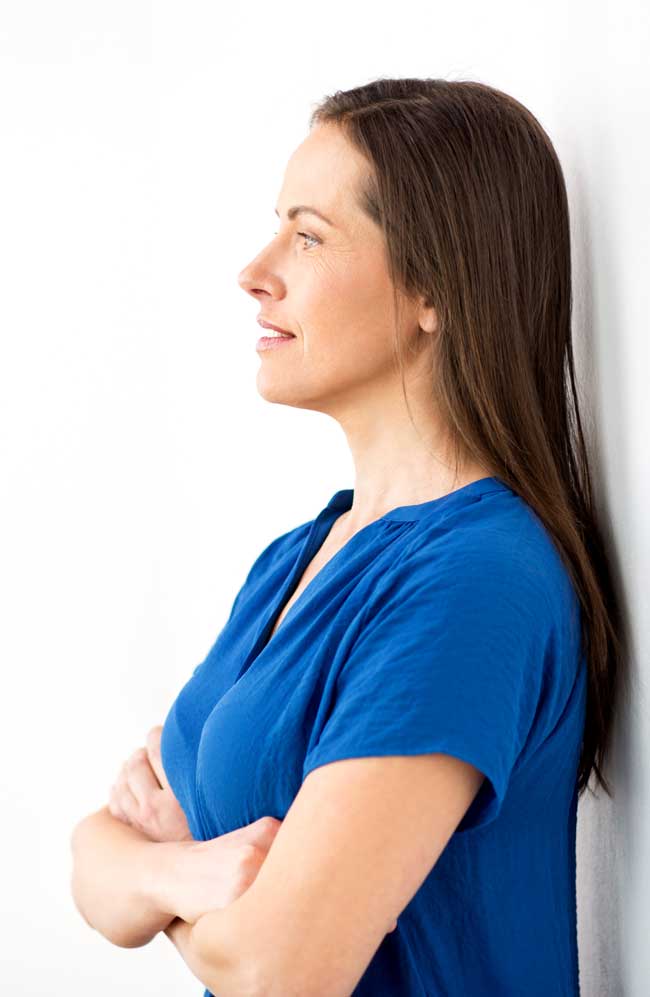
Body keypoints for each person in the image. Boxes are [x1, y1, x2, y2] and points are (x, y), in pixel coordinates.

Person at [157, 79, 623, 995]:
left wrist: (158, 887)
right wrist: (164, 872)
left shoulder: (475, 580)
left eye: (309, 234)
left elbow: (280, 967)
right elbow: (105, 843)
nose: (255, 270)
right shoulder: (300, 555)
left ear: (433, 289)